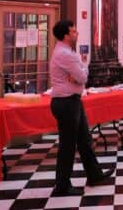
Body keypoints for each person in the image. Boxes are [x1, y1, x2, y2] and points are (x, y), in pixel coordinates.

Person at [49, 20, 114, 196]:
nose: (76, 33)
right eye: (73, 31)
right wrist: (80, 72)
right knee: (68, 145)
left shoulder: (67, 51)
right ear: (66, 35)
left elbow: (80, 75)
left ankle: (94, 175)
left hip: (72, 101)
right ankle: (62, 186)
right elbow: (83, 77)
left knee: (85, 140)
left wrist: (79, 72)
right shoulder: (66, 54)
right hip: (66, 102)